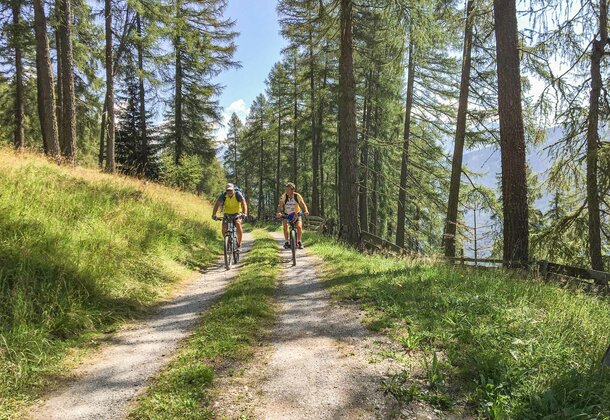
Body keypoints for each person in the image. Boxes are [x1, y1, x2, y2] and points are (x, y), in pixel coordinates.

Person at [212, 183, 248, 248]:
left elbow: (244, 203)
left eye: (231, 190)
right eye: (228, 190)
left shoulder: (238, 194)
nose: (229, 192)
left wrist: (244, 213)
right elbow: (217, 204)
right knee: (224, 228)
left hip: (237, 213)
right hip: (227, 213)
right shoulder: (223, 195)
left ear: (233, 190)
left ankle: (239, 244)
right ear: (226, 190)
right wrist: (214, 214)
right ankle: (228, 242)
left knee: (238, 224)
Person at [276, 182, 309, 249]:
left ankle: (299, 241)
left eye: (288, 190)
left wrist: (306, 211)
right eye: (286, 189)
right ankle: (286, 241)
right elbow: (280, 205)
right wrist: (278, 212)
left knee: (299, 227)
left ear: (292, 190)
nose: (286, 191)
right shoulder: (284, 196)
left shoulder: (297, 196)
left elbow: (303, 204)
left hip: (296, 214)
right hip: (287, 214)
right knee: (285, 225)